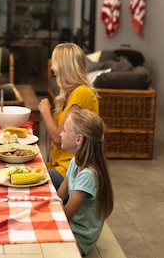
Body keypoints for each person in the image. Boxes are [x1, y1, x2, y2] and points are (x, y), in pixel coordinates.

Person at [39, 42, 98, 189]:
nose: (52, 69)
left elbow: (58, 138)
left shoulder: (82, 93)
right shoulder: (69, 94)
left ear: (64, 66)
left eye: (55, 64)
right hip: (61, 166)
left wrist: (45, 112)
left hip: (70, 171)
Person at [57, 109, 114, 256]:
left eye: (64, 131)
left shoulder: (88, 176)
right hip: (71, 227)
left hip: (80, 238)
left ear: (79, 139)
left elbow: (66, 215)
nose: (60, 134)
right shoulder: (75, 162)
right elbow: (59, 196)